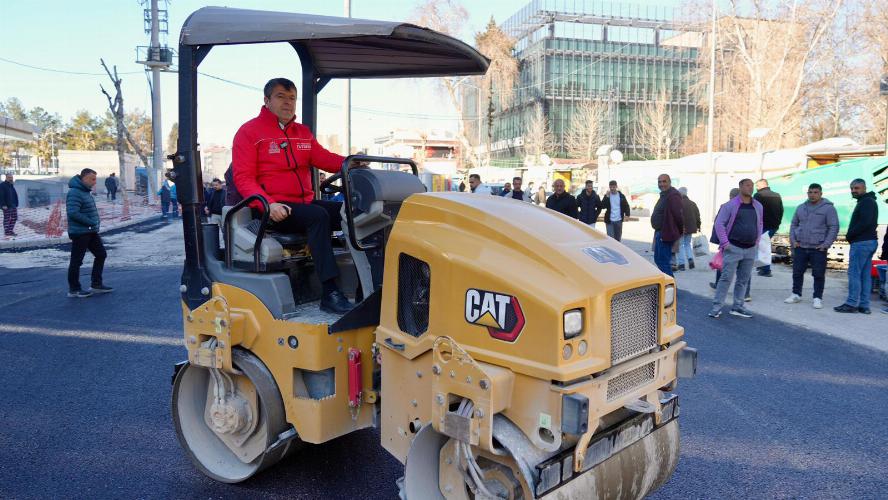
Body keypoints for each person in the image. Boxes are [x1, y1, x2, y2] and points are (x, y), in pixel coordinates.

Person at [232, 77, 354, 314]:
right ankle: (330, 292)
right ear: (266, 100)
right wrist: (269, 204)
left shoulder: (302, 133)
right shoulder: (250, 133)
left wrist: (353, 163)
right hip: (271, 207)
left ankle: (368, 284)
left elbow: (325, 159)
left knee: (350, 211)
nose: (288, 103)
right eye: (281, 97)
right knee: (318, 216)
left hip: (303, 204)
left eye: (292, 98)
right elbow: (244, 178)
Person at [709, 179, 763, 318]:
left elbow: (760, 223)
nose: (750, 188)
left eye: (752, 186)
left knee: (743, 280)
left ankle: (738, 306)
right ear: (740, 187)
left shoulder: (757, 205)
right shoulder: (730, 205)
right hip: (733, 248)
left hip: (750, 248)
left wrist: (757, 241)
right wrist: (726, 243)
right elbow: (719, 224)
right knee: (726, 278)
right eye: (747, 185)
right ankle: (717, 307)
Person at [784, 183, 838, 310]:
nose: (812, 195)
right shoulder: (801, 208)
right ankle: (796, 294)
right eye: (810, 192)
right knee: (797, 272)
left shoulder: (828, 209)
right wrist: (793, 241)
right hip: (801, 246)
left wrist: (826, 244)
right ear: (807, 193)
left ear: (821, 194)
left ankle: (817, 298)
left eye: (815, 192)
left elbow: (834, 227)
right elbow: (793, 224)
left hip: (818, 248)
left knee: (818, 274)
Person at [834, 179, 879, 314]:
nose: (854, 191)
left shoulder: (866, 202)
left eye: (857, 188)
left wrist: (850, 235)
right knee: (865, 275)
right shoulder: (869, 201)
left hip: (861, 242)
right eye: (852, 188)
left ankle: (851, 303)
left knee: (854, 273)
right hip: (869, 242)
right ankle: (864, 306)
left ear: (864, 188)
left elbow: (864, 222)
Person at [66, 168, 112, 298]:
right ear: (84, 178)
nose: (94, 182)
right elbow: (73, 212)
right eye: (92, 179)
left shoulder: (84, 192)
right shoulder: (75, 192)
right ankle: (74, 289)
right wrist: (90, 222)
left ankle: (96, 284)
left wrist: (92, 224)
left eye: (95, 179)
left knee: (101, 254)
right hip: (80, 232)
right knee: (76, 261)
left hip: (90, 231)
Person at [651, 174, 683, 276]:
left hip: (665, 234)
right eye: (659, 182)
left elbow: (678, 215)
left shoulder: (673, 196)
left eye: (664, 181)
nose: (661, 184)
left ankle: (671, 287)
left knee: (663, 262)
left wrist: (678, 232)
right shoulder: (665, 195)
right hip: (659, 232)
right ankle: (669, 285)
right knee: (658, 260)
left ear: (669, 182)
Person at [753, 179, 783, 277]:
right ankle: (761, 267)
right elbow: (781, 210)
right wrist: (778, 222)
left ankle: (766, 270)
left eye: (756, 186)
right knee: (763, 245)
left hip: (763, 225)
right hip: (774, 225)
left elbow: (755, 211)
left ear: (759, 186)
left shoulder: (758, 196)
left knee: (763, 246)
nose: (756, 188)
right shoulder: (777, 195)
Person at [676, 186, 701, 271]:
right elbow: (697, 216)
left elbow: (677, 216)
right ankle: (690, 259)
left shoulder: (678, 203)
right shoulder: (692, 203)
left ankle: (682, 264)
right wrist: (698, 226)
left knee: (680, 245)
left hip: (681, 228)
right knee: (687, 244)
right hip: (690, 228)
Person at [0, 173, 19, 237]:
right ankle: (7, 231)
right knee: (7, 219)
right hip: (6, 206)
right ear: (6, 178)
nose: (11, 178)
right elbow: (1, 196)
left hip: (13, 205)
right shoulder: (2, 185)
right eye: (9, 177)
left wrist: (16, 203)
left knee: (14, 218)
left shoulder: (11, 185)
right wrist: (3, 205)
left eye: (11, 177)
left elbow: (14, 195)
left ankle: (10, 230)